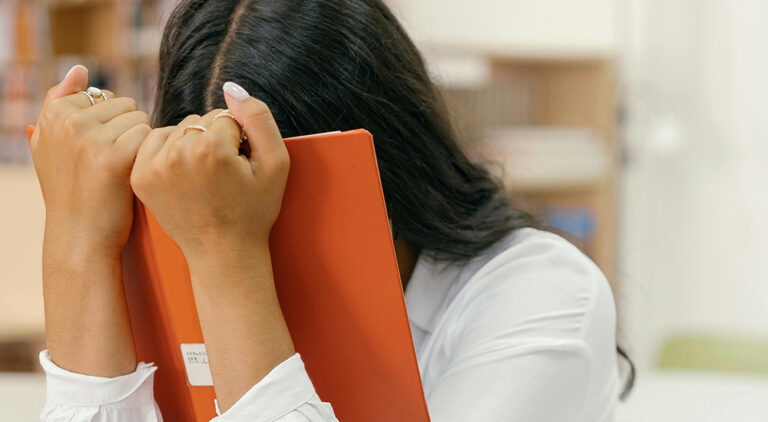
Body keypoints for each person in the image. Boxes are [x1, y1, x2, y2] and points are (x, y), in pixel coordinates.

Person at [31, 0, 627, 420]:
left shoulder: (545, 292)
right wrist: (77, 242)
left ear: (390, 163)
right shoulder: (183, 252)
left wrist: (225, 254)